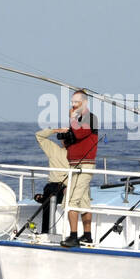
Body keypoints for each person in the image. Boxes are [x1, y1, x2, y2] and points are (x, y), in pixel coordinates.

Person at [59, 89, 98, 247]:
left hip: (85, 164)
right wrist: (66, 137)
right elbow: (72, 139)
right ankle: (87, 236)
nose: (74, 105)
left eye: (77, 102)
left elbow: (81, 134)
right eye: (72, 102)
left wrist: (72, 119)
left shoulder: (90, 118)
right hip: (74, 164)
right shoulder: (77, 120)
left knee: (71, 200)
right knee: (84, 201)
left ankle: (73, 236)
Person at [33, 128, 69, 235]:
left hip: (64, 188)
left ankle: (45, 232)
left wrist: (55, 130)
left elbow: (39, 135)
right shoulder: (55, 150)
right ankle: (44, 199)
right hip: (53, 187)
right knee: (49, 192)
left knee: (49, 197)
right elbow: (38, 136)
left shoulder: (54, 149)